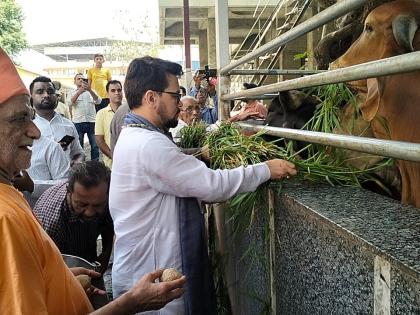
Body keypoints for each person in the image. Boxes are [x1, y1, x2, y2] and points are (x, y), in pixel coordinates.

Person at [0, 47, 185, 315]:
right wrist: (132, 303)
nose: (35, 131)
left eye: (29, 117)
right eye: (18, 119)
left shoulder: (11, 197)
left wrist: (58, 278)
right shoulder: (6, 220)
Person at [110, 56, 297, 314]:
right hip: (153, 284)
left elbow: (180, 168)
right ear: (151, 98)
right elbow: (211, 185)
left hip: (144, 269)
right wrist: (265, 169)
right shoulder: (148, 145)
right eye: (175, 96)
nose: (180, 104)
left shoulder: (136, 137)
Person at [34, 160, 114, 274]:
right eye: (82, 204)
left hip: (87, 258)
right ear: (69, 192)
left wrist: (105, 254)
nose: (89, 212)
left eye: (97, 205)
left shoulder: (106, 197)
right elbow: (42, 269)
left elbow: (109, 224)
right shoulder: (52, 221)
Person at [30, 76, 85, 166]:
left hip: (66, 179)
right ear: (31, 96)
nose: (46, 95)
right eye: (40, 92)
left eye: (50, 91)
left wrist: (78, 162)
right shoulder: (25, 128)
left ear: (56, 95)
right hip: (35, 180)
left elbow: (78, 153)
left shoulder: (68, 125)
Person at [69, 73, 101, 161]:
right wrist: (79, 92)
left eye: (83, 79)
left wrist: (90, 90)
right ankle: (81, 166)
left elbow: (98, 101)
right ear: (75, 81)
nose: (81, 80)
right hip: (78, 123)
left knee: (95, 146)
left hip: (92, 122)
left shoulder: (91, 91)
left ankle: (95, 165)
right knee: (79, 147)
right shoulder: (72, 92)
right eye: (78, 79)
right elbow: (70, 103)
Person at [95, 80, 123, 168]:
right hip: (110, 165)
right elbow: (99, 140)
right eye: (113, 90)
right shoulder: (101, 113)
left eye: (119, 90)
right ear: (107, 94)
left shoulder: (130, 111)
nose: (117, 93)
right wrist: (113, 156)